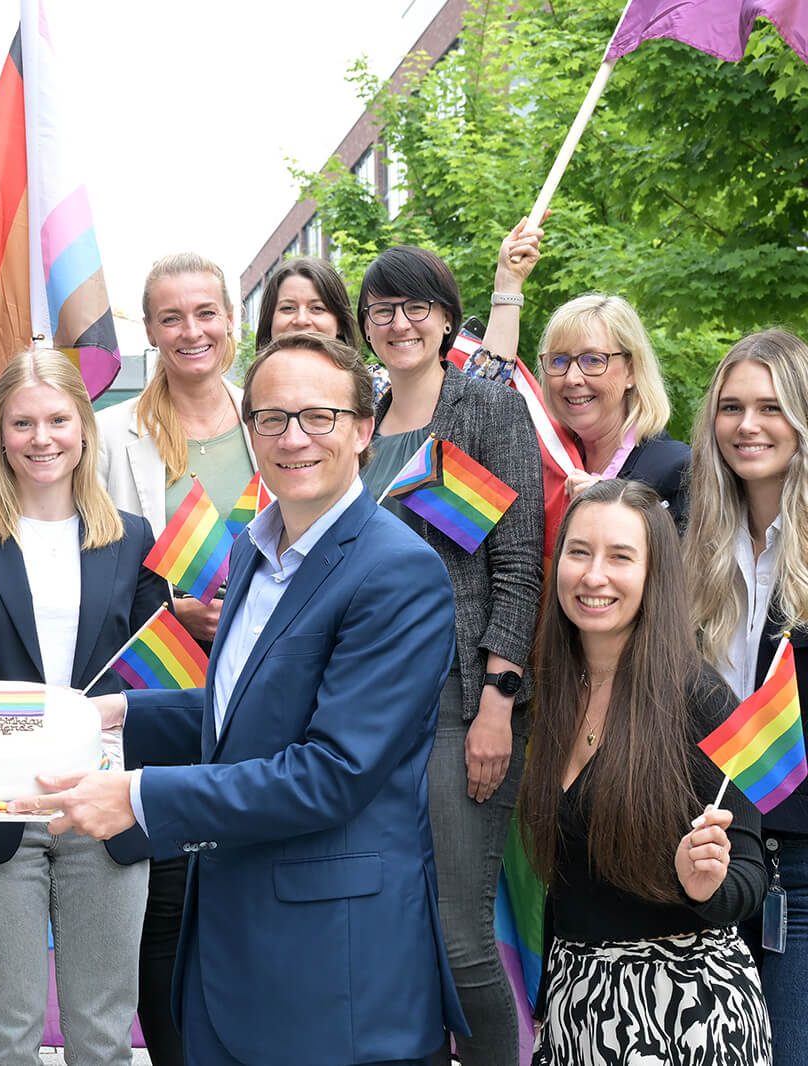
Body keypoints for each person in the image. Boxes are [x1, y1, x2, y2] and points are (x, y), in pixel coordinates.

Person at [20, 331, 466, 1065]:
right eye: (270, 418)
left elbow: (332, 773)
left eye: (318, 417)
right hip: (233, 952)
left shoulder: (398, 573)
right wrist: (121, 712)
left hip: (336, 976)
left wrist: (137, 799)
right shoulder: (254, 550)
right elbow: (249, 712)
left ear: (363, 429)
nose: (293, 438)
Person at [0, 347, 169, 1066]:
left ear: (84, 428)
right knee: (5, 1033)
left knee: (103, 1033)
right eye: (21, 423)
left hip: (100, 805)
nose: (41, 438)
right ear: (1, 436)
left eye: (56, 419)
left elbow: (155, 683)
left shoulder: (135, 540)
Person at [357, 246, 543, 1066]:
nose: (399, 323)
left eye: (416, 307)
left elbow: (518, 564)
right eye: (382, 309)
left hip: (456, 702)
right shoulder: (353, 419)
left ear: (444, 317)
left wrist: (497, 702)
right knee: (393, 934)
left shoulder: (485, 410)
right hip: (364, 709)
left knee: (458, 936)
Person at [518, 479, 770, 1063]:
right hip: (577, 1007)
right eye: (579, 552)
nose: (593, 575)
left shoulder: (698, 699)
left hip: (685, 1015)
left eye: (620, 557)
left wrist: (704, 886)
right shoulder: (552, 691)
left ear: (656, 575)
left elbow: (750, 878)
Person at [94, 251, 255, 1065]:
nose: (191, 331)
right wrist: (173, 609)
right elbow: (95, 563)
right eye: (171, 318)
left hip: (261, 684)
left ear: (232, 320)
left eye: (205, 313)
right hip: (157, 682)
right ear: (149, 331)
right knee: (166, 900)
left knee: (248, 887)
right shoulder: (112, 431)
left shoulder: (273, 415)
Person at [685, 328, 808, 1061]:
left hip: (798, 861)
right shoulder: (690, 533)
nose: (748, 426)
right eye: (731, 407)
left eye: (771, 406)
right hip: (707, 847)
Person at [484, 218, 689, 521]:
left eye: (593, 360)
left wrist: (615, 507)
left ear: (631, 371)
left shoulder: (680, 470)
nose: (572, 378)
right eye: (559, 361)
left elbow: (689, 565)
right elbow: (482, 403)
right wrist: (507, 285)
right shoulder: (542, 465)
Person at [253, 255, 359, 350]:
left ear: (340, 323)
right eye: (288, 308)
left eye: (317, 308)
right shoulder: (256, 372)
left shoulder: (370, 372)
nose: (301, 320)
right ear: (269, 321)